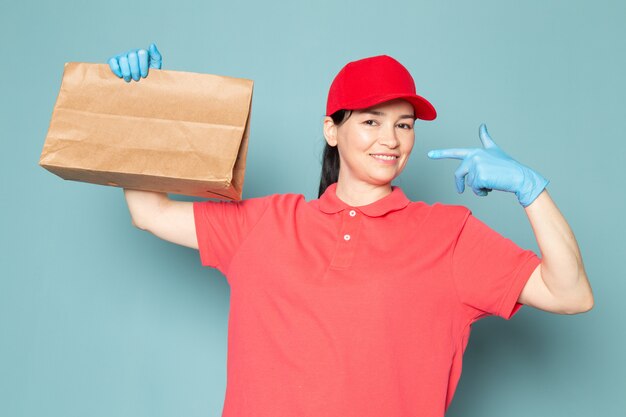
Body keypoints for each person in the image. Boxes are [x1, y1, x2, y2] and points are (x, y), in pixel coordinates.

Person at [108, 44, 593, 417]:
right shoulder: (265, 223)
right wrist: (140, 103)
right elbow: (149, 211)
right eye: (371, 121)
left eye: (404, 125)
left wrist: (531, 190)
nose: (390, 139)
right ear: (331, 129)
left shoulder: (448, 236)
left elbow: (569, 293)